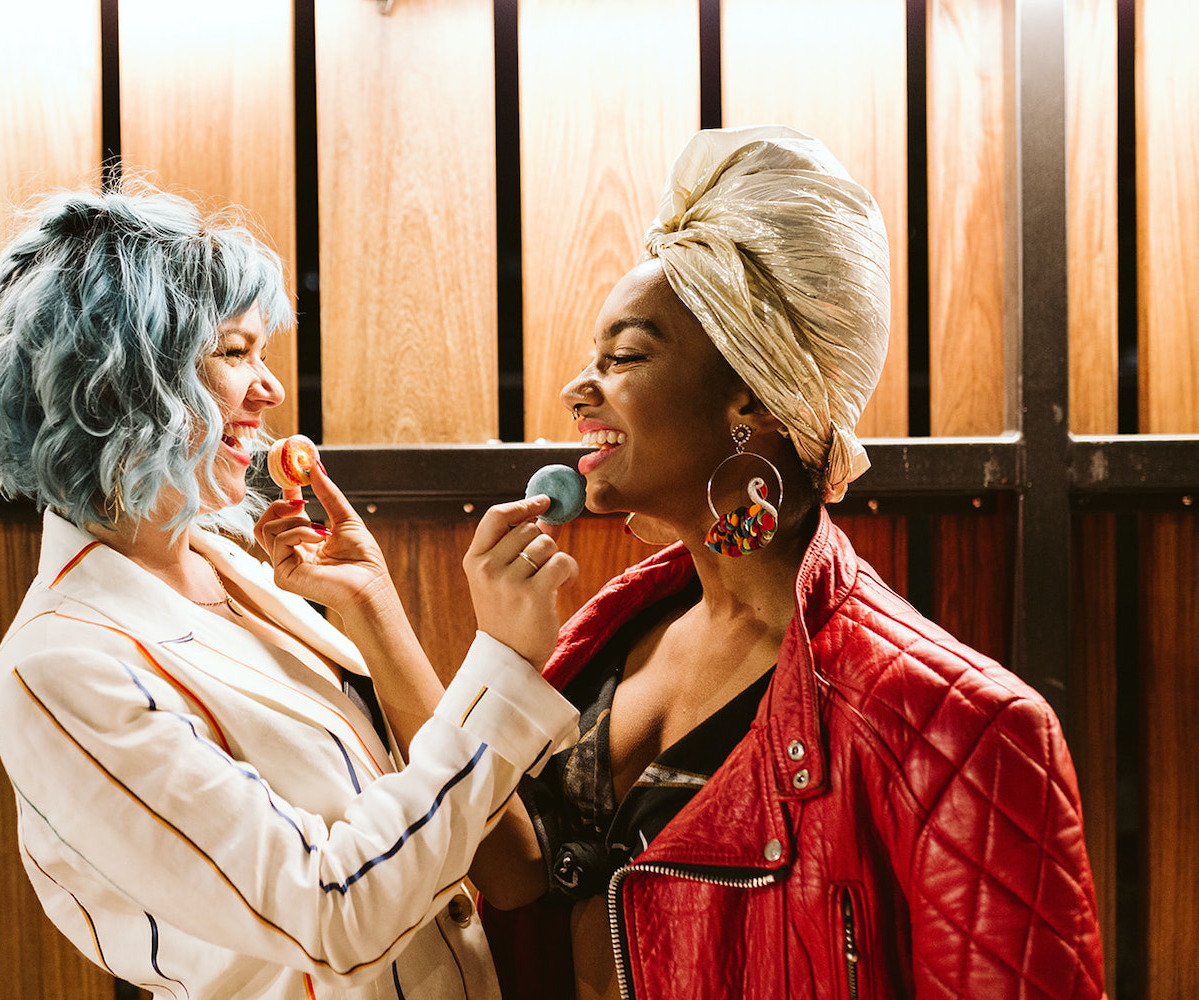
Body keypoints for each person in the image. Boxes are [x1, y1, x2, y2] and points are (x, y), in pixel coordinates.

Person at [472, 126, 1106, 999]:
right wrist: (375, 615)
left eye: (623, 357)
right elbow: (514, 872)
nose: (581, 391)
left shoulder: (964, 729)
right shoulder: (613, 637)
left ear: (751, 399)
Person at [0, 187, 581, 999]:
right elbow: (334, 915)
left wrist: (373, 606)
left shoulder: (232, 565)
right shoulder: (61, 665)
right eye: (235, 353)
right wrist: (504, 662)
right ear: (121, 385)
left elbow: (487, 857)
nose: (271, 391)